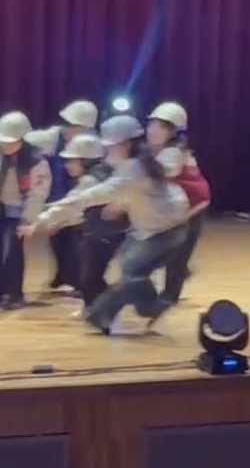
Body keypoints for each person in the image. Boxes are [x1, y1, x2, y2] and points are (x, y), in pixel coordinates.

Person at [30, 115, 190, 334]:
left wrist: (48, 215)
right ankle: (125, 312)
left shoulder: (134, 168)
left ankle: (122, 312)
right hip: (159, 227)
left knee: (131, 270)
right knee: (130, 269)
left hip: (165, 230)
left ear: (126, 145)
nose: (107, 151)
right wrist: (122, 203)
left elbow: (96, 194)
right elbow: (140, 192)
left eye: (111, 146)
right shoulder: (139, 163)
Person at [0, 112, 51, 309]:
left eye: (11, 142)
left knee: (13, 249)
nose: (6, 146)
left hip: (20, 207)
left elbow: (38, 193)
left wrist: (28, 219)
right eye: (4, 142)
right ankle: (0, 289)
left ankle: (15, 291)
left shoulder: (36, 161)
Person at [25, 100, 99, 292]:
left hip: (81, 196)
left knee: (77, 239)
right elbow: (26, 138)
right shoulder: (50, 138)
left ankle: (78, 280)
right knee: (57, 238)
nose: (70, 130)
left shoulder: (92, 143)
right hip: (57, 191)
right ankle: (63, 276)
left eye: (77, 127)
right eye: (69, 125)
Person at [53, 133, 129, 316]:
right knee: (87, 276)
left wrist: (46, 220)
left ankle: (105, 308)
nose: (67, 165)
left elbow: (72, 204)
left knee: (89, 277)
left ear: (86, 161)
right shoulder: (102, 174)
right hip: (98, 232)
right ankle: (95, 309)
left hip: (103, 234)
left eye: (72, 161)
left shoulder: (91, 180)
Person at [146, 101, 211, 304]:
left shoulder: (173, 153)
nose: (152, 131)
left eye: (161, 127)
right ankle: (179, 274)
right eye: (152, 125)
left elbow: (164, 173)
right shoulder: (159, 150)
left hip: (191, 208)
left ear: (174, 132)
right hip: (174, 208)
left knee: (178, 253)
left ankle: (169, 297)